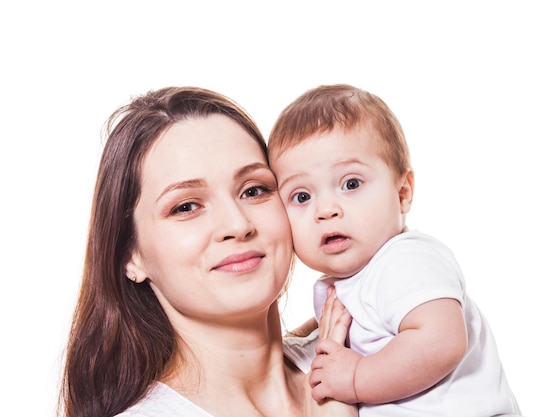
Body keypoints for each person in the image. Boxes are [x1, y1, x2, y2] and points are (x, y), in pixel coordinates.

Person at [59, 86, 357, 417]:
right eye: (186, 206)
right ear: (131, 255)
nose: (237, 224)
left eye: (254, 190)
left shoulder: (373, 355)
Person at [268, 84, 522, 417]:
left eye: (351, 184)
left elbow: (441, 341)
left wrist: (356, 378)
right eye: (302, 197)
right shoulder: (359, 279)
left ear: (402, 193)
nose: (326, 209)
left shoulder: (406, 260)